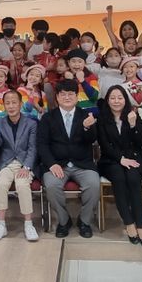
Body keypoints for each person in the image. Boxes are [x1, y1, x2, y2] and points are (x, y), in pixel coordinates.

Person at [38, 79, 100, 238]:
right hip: (57, 164)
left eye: (71, 94)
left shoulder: (86, 115)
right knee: (51, 185)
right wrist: (51, 164)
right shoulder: (48, 118)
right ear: (57, 97)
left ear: (77, 97)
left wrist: (87, 127)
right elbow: (42, 144)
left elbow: (92, 140)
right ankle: (64, 221)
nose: (67, 97)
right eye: (63, 94)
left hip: (82, 164)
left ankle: (84, 221)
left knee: (93, 184)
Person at [97, 86, 142, 247]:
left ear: (125, 99)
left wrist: (133, 126)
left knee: (133, 178)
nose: (116, 101)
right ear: (107, 100)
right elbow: (104, 145)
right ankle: (129, 223)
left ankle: (141, 225)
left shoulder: (133, 115)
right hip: (111, 160)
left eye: (120, 98)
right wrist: (120, 159)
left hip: (133, 158)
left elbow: (140, 142)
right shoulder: (102, 118)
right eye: (112, 98)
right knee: (119, 178)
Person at [0, 90, 40, 242]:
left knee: (22, 184)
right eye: (7, 103)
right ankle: (1, 224)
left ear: (20, 104)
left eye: (14, 102)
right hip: (7, 163)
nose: (11, 106)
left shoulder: (31, 123)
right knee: (1, 184)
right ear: (4, 105)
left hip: (24, 163)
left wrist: (27, 167)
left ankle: (28, 224)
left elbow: (33, 148)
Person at [62, 49, 99, 115]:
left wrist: (83, 81)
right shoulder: (64, 78)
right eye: (73, 61)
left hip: (90, 113)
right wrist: (69, 81)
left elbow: (94, 97)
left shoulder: (91, 77)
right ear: (68, 63)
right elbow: (61, 98)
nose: (76, 64)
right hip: (71, 113)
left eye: (80, 61)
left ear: (84, 63)